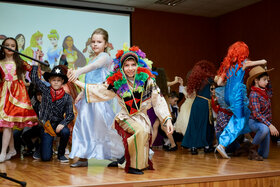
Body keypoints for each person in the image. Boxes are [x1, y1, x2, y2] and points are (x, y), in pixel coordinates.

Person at [68, 46, 174, 175]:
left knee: (145, 133)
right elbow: (98, 89)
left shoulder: (147, 80)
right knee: (139, 131)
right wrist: (77, 82)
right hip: (125, 117)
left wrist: (167, 120)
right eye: (127, 65)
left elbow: (159, 100)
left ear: (138, 65)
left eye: (133, 65)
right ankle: (133, 166)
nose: (130, 68)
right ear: (122, 67)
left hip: (142, 117)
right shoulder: (116, 82)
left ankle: (125, 161)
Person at [67, 28, 124, 168]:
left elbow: (95, 67)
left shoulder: (104, 57)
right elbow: (90, 78)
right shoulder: (91, 57)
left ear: (106, 44)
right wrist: (82, 93)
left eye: (99, 41)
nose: (95, 44)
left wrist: (78, 71)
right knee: (84, 127)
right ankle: (83, 157)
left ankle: (121, 154)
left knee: (104, 127)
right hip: (88, 99)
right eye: (93, 42)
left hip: (99, 100)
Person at [215, 41, 267, 159]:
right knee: (239, 120)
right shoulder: (242, 63)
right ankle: (222, 144)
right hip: (237, 96)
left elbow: (219, 82)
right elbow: (252, 63)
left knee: (245, 115)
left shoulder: (227, 66)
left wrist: (231, 81)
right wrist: (263, 61)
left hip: (227, 95)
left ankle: (249, 139)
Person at [30, 53, 74, 162]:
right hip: (46, 125)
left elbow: (70, 115)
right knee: (46, 158)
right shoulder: (45, 90)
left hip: (58, 123)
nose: (56, 82)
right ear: (49, 81)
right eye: (53, 80)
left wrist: (62, 124)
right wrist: (35, 61)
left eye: (58, 80)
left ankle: (61, 154)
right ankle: (41, 147)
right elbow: (34, 78)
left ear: (62, 82)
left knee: (65, 132)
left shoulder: (67, 97)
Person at [0, 37, 38, 162]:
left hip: (16, 94)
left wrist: (36, 59)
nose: (10, 47)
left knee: (7, 123)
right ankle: (12, 150)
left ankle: (3, 153)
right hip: (3, 94)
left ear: (16, 48)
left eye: (12, 45)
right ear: (3, 47)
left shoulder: (19, 62)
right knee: (8, 124)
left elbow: (32, 70)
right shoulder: (0, 62)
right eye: (7, 45)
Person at [181, 60, 216, 155]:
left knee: (195, 125)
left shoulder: (197, 80)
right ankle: (207, 146)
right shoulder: (209, 79)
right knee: (206, 124)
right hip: (204, 104)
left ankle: (193, 147)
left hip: (197, 103)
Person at [247, 66, 279, 160]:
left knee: (264, 155)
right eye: (264, 80)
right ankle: (251, 150)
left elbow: (270, 90)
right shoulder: (254, 94)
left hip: (264, 123)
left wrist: (266, 72)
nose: (267, 82)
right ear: (256, 80)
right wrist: (270, 125)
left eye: (267, 80)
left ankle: (251, 149)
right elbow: (256, 114)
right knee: (265, 129)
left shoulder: (265, 92)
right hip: (254, 122)